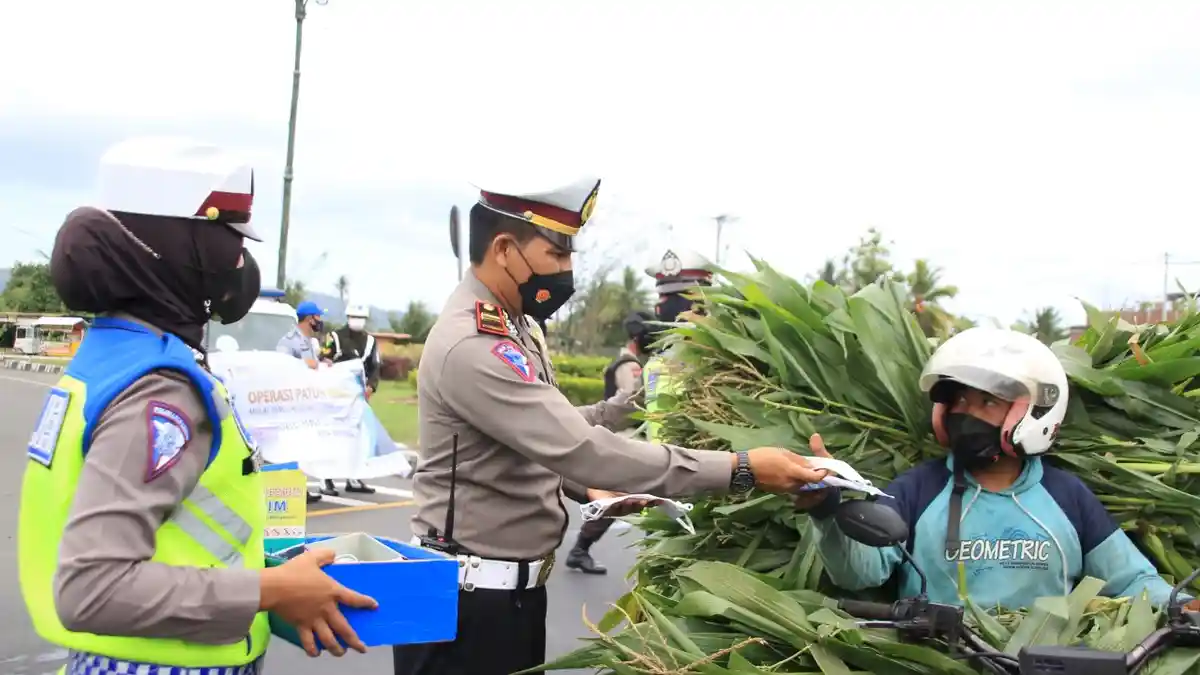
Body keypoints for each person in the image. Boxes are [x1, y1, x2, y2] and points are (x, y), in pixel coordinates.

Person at [393, 176, 831, 675]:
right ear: (504, 249)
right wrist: (742, 468)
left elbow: (538, 437)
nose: (567, 269)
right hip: (462, 606)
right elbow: (580, 447)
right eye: (556, 253)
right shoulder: (473, 343)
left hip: (507, 597)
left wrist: (598, 483)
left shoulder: (520, 327)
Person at [18, 137, 377, 674]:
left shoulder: (114, 352)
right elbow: (92, 586)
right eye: (229, 239)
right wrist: (271, 589)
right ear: (178, 248)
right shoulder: (162, 389)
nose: (240, 261)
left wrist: (275, 571)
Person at [797, 326, 1200, 611]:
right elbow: (861, 574)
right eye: (957, 402)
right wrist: (826, 509)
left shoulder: (1066, 496)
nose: (964, 414)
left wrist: (1184, 607)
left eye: (987, 403)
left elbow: (1131, 580)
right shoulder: (919, 489)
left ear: (1035, 413)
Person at [564, 309, 656, 575]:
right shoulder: (631, 366)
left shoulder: (624, 361)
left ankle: (580, 549)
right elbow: (631, 401)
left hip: (608, 437)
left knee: (611, 496)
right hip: (616, 439)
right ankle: (580, 549)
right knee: (613, 496)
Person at [642, 249, 716, 442]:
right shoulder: (657, 360)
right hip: (659, 467)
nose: (660, 306)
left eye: (671, 298)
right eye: (662, 296)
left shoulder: (718, 361)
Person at [320, 302, 379, 496]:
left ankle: (354, 477)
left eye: (361, 318)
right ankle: (325, 480)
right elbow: (324, 359)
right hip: (336, 397)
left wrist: (371, 386)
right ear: (348, 317)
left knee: (357, 438)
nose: (358, 321)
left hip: (359, 397)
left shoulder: (370, 341)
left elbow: (374, 366)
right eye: (354, 317)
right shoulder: (335, 337)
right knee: (332, 437)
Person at [276, 300, 329, 503]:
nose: (320, 321)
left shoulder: (309, 342)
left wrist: (322, 364)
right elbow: (282, 367)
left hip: (306, 403)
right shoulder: (288, 341)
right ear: (309, 318)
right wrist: (305, 364)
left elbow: (312, 367)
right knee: (290, 448)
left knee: (302, 448)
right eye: (318, 317)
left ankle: (300, 489)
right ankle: (289, 490)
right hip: (291, 405)